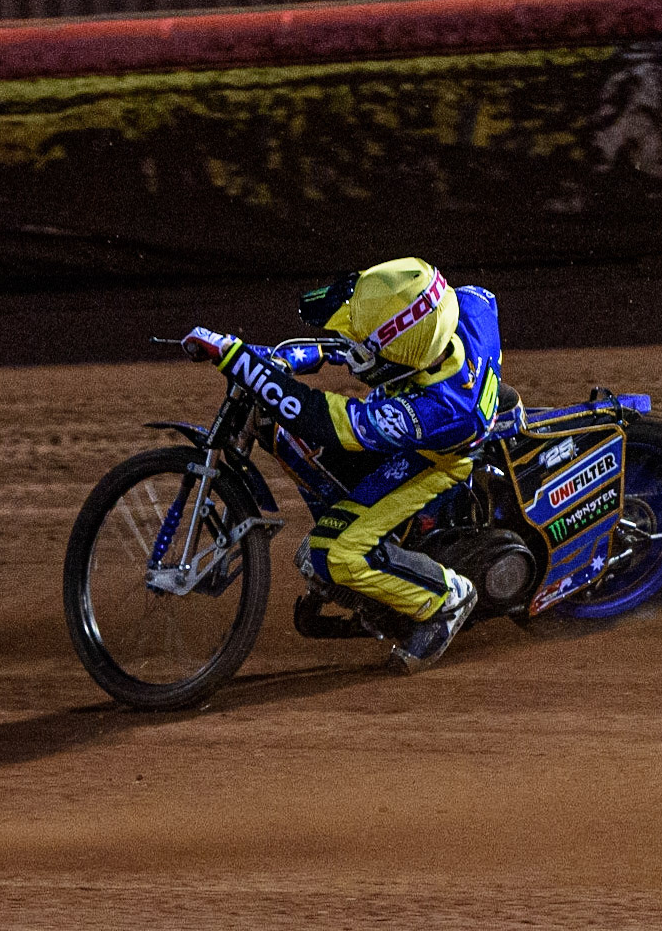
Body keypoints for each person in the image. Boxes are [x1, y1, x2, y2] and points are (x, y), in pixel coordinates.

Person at [181, 256, 503, 673]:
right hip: (442, 413)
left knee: (331, 553)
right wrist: (278, 361)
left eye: (369, 344)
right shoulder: (464, 308)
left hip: (435, 458)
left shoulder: (431, 408)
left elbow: (324, 419)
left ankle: (446, 599)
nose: (356, 346)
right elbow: (363, 336)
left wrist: (241, 360)